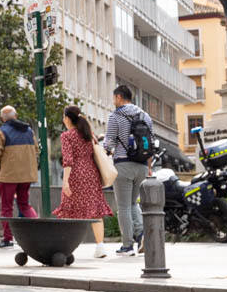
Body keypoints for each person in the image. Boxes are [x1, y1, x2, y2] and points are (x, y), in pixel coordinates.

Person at [53, 106, 111, 259]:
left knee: (69, 210)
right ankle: (100, 247)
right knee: (95, 210)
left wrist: (65, 181)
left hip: (76, 175)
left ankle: (66, 247)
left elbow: (68, 160)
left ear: (67, 118)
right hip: (91, 174)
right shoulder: (88, 133)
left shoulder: (67, 136)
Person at [104, 85, 154, 256]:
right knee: (133, 203)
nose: (113, 101)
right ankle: (141, 234)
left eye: (114, 98)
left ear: (119, 97)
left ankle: (127, 245)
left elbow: (109, 143)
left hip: (123, 165)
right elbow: (151, 142)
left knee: (124, 206)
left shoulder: (115, 116)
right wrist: (149, 167)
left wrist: (104, 149)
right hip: (141, 166)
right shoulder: (145, 116)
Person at [0, 105, 38, 248]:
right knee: (24, 204)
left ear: (2, 118)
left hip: (8, 175)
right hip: (27, 175)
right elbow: (36, 149)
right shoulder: (29, 131)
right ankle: (38, 231)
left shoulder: (1, 132)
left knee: (6, 207)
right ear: (16, 116)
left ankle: (7, 239)